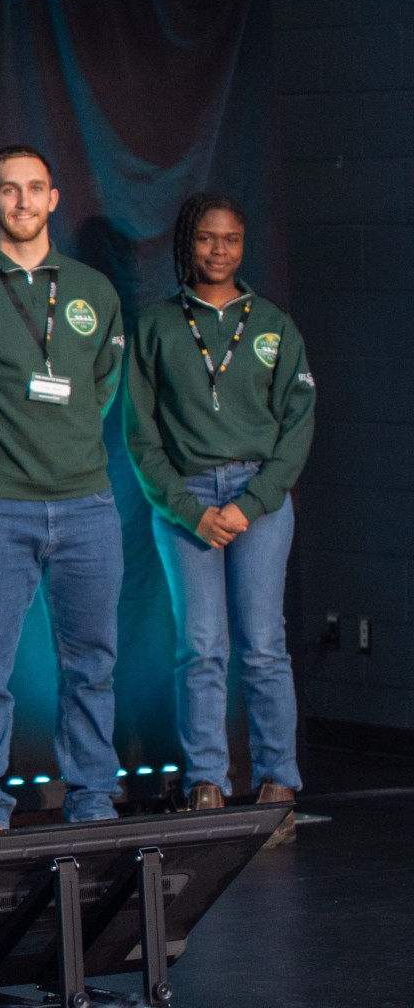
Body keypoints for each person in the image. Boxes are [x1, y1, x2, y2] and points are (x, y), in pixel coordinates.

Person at [0, 145, 127, 832]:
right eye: (8, 190)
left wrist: (65, 446)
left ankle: (92, 799)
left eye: (35, 188)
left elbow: (101, 387)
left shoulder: (94, 291)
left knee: (92, 665)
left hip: (87, 504)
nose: (22, 201)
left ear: (53, 198)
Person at [124, 193, 315, 842]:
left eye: (231, 239)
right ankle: (205, 781)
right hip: (187, 501)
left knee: (262, 644)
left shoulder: (273, 325)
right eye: (207, 238)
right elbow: (140, 436)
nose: (219, 250)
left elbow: (297, 428)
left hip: (259, 497)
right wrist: (192, 511)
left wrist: (249, 503)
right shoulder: (156, 326)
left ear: (243, 244)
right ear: (189, 243)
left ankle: (278, 784)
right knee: (201, 645)